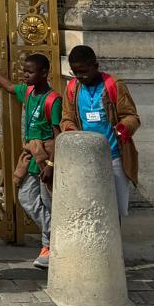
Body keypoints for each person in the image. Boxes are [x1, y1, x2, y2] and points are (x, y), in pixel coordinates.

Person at [0, 54, 60, 268]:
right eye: (24, 71)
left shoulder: (53, 100)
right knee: (27, 197)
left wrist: (51, 165)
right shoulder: (29, 92)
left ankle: (48, 248)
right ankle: (57, 235)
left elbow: (58, 135)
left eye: (30, 72)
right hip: (31, 156)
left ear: (44, 73)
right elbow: (10, 87)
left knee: (48, 202)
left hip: (46, 158)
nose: (25, 75)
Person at [62, 44, 140, 219]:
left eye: (84, 72)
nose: (80, 76)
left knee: (117, 209)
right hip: (86, 158)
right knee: (92, 208)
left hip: (114, 156)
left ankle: (116, 237)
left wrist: (123, 128)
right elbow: (66, 118)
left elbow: (132, 116)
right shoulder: (72, 87)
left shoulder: (114, 85)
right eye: (75, 72)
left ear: (95, 66)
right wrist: (72, 131)